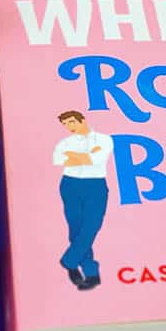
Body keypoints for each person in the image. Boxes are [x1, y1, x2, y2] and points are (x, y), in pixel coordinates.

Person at [52, 110, 114, 290]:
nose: (70, 127)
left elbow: (96, 159)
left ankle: (70, 261)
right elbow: (58, 160)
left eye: (72, 122)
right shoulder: (65, 142)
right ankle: (91, 274)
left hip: (95, 185)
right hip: (70, 184)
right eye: (66, 124)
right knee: (76, 228)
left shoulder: (104, 139)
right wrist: (85, 157)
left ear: (82, 119)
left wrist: (75, 156)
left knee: (92, 225)